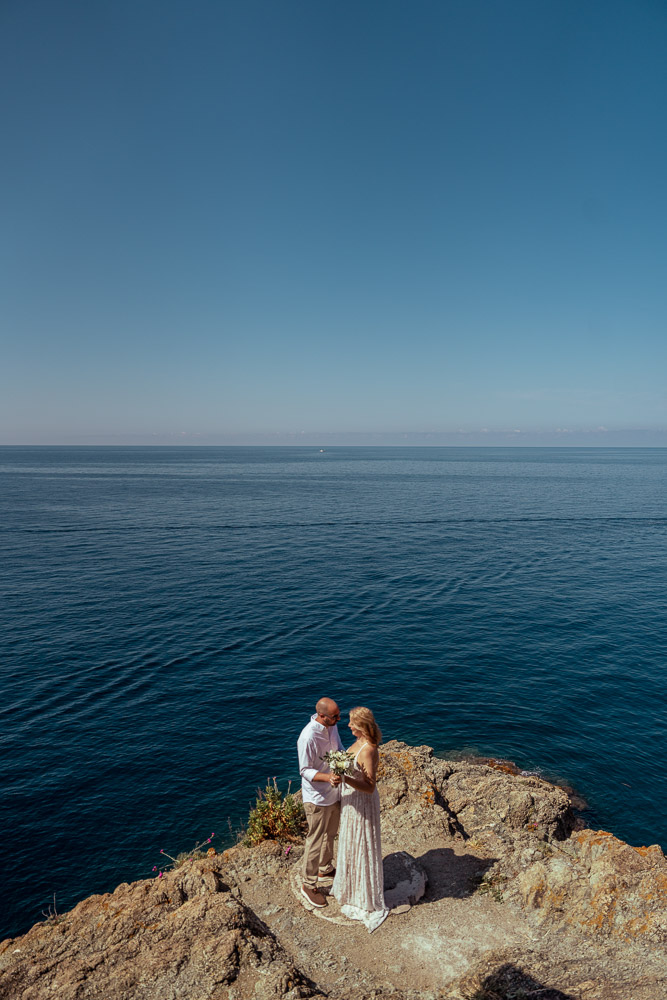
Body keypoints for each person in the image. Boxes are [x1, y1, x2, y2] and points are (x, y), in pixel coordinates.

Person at [332, 706, 389, 932]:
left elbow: (369, 786)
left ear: (362, 726)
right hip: (350, 801)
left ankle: (364, 895)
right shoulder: (357, 743)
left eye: (352, 723)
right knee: (351, 843)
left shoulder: (368, 750)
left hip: (362, 802)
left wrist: (345, 778)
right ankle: (351, 886)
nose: (348, 726)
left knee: (361, 844)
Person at [297, 696, 344, 908]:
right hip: (316, 797)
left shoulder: (331, 727)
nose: (339, 719)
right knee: (315, 840)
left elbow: (339, 749)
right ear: (322, 716)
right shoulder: (307, 737)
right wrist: (328, 777)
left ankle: (325, 867)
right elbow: (304, 770)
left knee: (331, 834)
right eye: (335, 717)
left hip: (334, 793)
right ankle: (308, 884)